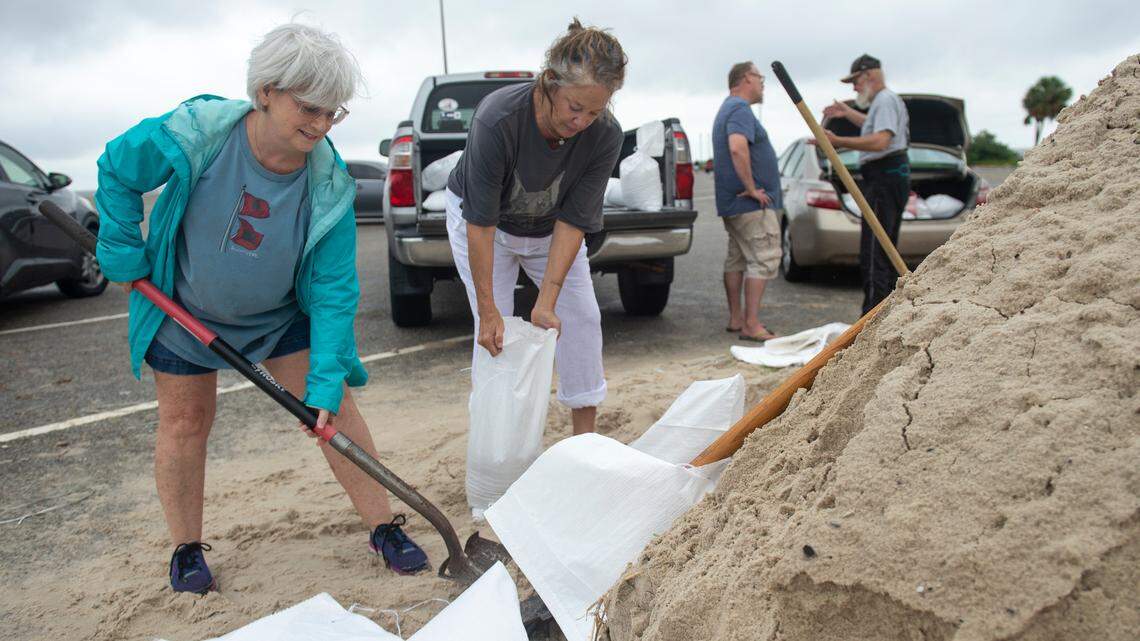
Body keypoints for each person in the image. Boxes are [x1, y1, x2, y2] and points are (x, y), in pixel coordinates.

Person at [94, 23, 428, 595]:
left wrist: (323, 380)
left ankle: (383, 526)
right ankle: (186, 550)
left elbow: (332, 292)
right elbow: (118, 169)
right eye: (310, 107)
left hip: (277, 320)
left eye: (334, 113)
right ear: (266, 90)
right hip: (182, 312)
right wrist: (122, 249)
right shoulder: (198, 131)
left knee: (334, 411)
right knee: (184, 423)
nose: (321, 125)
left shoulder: (328, 183)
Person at [444, 18, 626, 436]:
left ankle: (585, 440)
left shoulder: (605, 135)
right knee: (495, 333)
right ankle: (496, 444)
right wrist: (489, 308)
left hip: (550, 230)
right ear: (548, 84)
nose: (581, 121)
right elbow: (481, 224)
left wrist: (547, 302)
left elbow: (574, 221)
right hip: (484, 224)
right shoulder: (498, 119)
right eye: (574, 107)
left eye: (594, 111)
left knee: (580, 319)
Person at [821, 54, 910, 314]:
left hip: (884, 179)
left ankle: (871, 319)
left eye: (855, 82)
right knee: (881, 251)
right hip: (887, 178)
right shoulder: (884, 102)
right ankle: (883, 314)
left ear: (868, 75)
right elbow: (873, 125)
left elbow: (881, 140)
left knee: (875, 256)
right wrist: (848, 113)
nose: (854, 88)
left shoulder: (884, 101)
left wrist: (837, 141)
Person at [711, 61, 783, 342]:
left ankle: (736, 318)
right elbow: (737, 147)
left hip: (734, 205)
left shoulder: (727, 108)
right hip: (749, 205)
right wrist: (752, 188)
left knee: (738, 258)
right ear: (744, 79)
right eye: (759, 77)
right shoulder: (739, 109)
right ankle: (751, 325)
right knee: (764, 257)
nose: (763, 82)